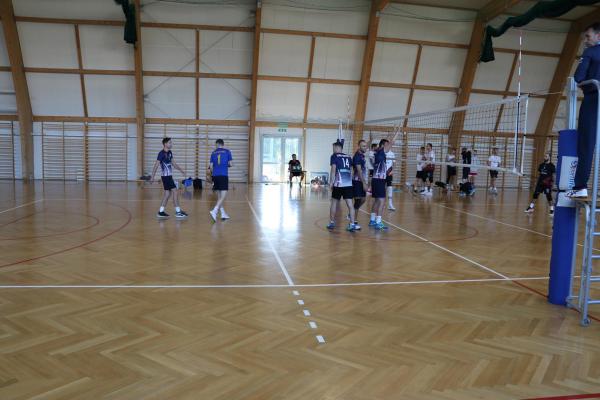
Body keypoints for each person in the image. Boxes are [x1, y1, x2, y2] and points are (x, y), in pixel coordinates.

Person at [567, 23, 600, 199]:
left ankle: (580, 186)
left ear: (598, 36)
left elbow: (578, 77)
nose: (585, 40)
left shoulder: (590, 52)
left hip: (593, 101)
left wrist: (585, 83)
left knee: (586, 144)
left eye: (588, 36)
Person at [369, 129, 400, 230]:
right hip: (379, 179)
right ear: (383, 145)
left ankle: (372, 220)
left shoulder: (377, 151)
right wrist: (397, 132)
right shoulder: (381, 151)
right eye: (387, 145)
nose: (389, 146)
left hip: (376, 179)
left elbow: (388, 142)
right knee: (382, 201)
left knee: (377, 201)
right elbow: (392, 142)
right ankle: (378, 222)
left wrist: (390, 134)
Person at [151, 137, 188, 220]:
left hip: (169, 176)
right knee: (175, 191)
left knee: (167, 194)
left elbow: (174, 164)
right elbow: (156, 165)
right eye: (169, 142)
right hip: (165, 176)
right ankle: (178, 212)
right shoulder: (161, 153)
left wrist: (181, 170)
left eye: (171, 142)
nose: (171, 144)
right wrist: (152, 176)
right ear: (165, 144)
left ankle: (161, 212)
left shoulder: (170, 152)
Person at [327, 141, 356, 232]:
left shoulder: (334, 156)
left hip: (338, 184)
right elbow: (351, 170)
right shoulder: (348, 157)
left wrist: (331, 183)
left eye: (333, 148)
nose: (333, 150)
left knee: (334, 203)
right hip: (348, 184)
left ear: (337, 147)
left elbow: (333, 170)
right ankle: (352, 224)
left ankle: (332, 223)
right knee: (350, 205)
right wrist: (349, 180)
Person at [208, 139, 233, 222]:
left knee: (219, 196)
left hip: (215, 176)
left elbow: (211, 167)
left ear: (217, 144)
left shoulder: (213, 153)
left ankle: (223, 213)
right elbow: (231, 164)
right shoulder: (227, 151)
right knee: (223, 196)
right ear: (223, 144)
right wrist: (226, 165)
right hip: (223, 175)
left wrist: (213, 175)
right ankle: (214, 211)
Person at [352, 140, 369, 230]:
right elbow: (359, 171)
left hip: (361, 181)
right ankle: (354, 222)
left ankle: (351, 213)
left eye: (365, 146)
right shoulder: (357, 157)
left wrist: (370, 139)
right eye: (363, 146)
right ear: (359, 146)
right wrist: (364, 183)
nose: (365, 147)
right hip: (357, 182)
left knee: (363, 199)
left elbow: (367, 145)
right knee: (358, 201)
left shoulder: (362, 155)